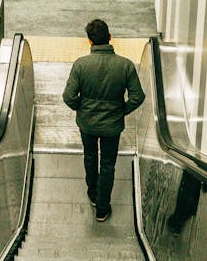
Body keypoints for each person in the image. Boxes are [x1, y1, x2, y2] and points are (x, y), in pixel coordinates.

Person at [61, 19, 145, 222]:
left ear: (89, 42)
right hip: (112, 126)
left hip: (87, 124)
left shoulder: (81, 65)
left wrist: (82, 109)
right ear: (110, 37)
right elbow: (138, 96)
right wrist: (121, 111)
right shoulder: (125, 65)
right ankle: (102, 207)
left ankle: (92, 193)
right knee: (108, 164)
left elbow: (68, 96)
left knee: (90, 157)